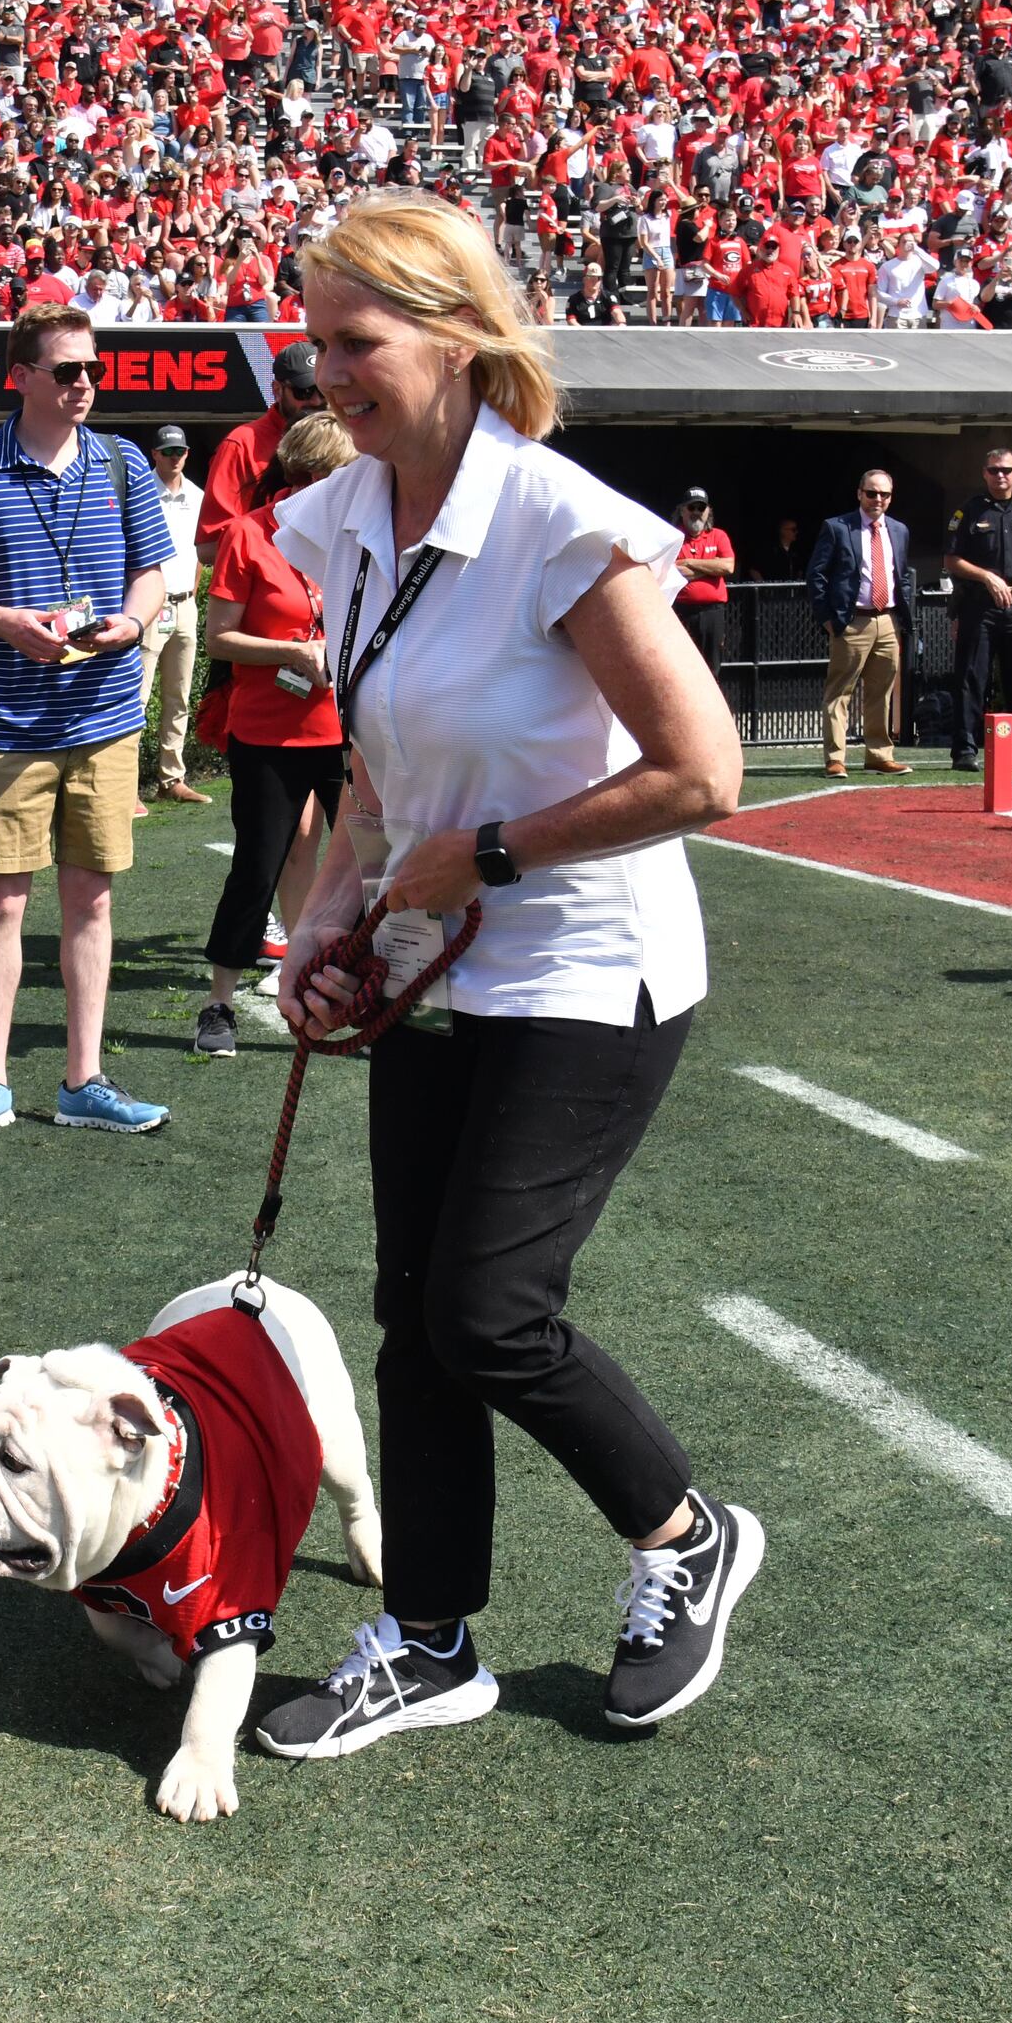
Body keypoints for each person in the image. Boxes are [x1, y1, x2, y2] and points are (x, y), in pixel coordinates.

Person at [240, 194, 763, 1755]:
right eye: (314, 342)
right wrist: (327, 927)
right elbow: (381, 784)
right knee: (411, 1314)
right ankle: (429, 1637)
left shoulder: (560, 520)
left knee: (487, 1310)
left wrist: (493, 859)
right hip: (438, 971)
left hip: (590, 969)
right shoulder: (336, 523)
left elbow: (707, 773)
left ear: (460, 337)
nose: (327, 372)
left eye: (359, 342)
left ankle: (684, 1535)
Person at [0, 302, 183, 1142]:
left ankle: (82, 1080)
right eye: (67, 371)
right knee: (1, 902)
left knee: (91, 900)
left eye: (93, 370)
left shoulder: (123, 463)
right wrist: (6, 622)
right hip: (7, 717)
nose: (86, 385)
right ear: (21, 376)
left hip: (103, 715)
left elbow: (153, 571)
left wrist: (135, 625)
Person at [191, 411, 357, 1057]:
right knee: (257, 866)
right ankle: (219, 1005)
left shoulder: (360, 534)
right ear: (313, 477)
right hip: (270, 733)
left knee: (373, 869)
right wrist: (292, 653)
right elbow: (221, 640)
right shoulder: (249, 536)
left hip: (349, 729)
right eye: (347, 473)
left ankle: (367, 996)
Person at [943, 446, 1012, 773]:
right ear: (984, 473)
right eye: (993, 470)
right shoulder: (971, 511)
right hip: (980, 607)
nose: (1000, 476)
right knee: (971, 679)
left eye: (1006, 470)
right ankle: (964, 749)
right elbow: (951, 559)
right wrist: (986, 576)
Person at [804, 468, 914, 778]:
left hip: (888, 620)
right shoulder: (837, 528)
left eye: (884, 494)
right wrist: (827, 618)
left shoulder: (899, 530)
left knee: (881, 691)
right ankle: (835, 758)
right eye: (871, 492)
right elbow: (817, 575)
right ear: (859, 493)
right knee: (840, 692)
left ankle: (879, 754)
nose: (877, 499)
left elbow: (901, 575)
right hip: (852, 622)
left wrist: (904, 617)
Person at [197, 340, 322, 572]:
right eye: (303, 391)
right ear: (277, 390)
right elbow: (209, 547)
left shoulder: (349, 438)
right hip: (271, 589)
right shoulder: (242, 444)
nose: (316, 401)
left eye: (322, 390)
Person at [141, 425, 212, 809]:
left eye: (179, 451)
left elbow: (199, 554)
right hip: (150, 607)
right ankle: (122, 790)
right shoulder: (139, 494)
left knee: (179, 696)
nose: (174, 457)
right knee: (138, 696)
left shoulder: (199, 497)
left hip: (184, 604)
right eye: (167, 451)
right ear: (154, 453)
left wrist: (190, 595)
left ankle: (172, 779)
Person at [670, 487, 736, 673]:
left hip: (712, 613)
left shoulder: (718, 536)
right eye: (692, 508)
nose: (697, 512)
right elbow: (673, 571)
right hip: (682, 612)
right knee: (682, 666)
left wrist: (690, 562)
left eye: (701, 508)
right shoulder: (673, 537)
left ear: (708, 511)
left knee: (711, 667)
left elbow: (727, 567)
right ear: (682, 510)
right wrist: (711, 568)